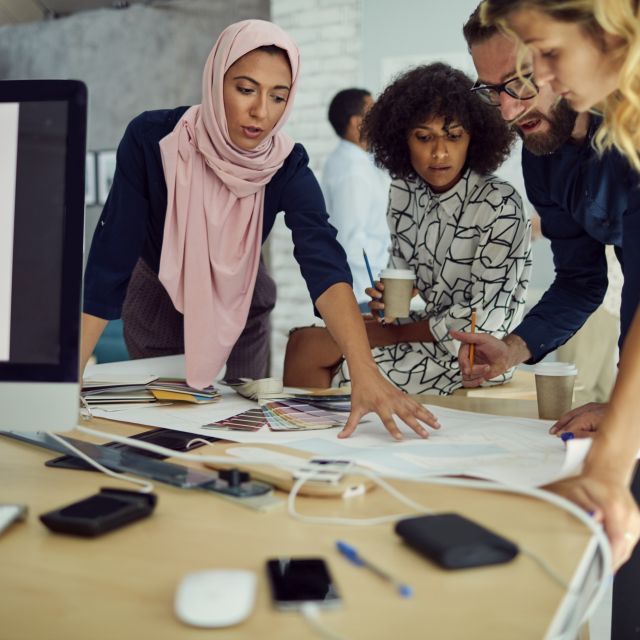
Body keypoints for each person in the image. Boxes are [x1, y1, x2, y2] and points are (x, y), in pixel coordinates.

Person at [81, 19, 438, 442]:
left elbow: (322, 259)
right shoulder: (153, 139)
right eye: (245, 89)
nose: (261, 112)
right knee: (172, 437)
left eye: (278, 96)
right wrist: (68, 376)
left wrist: (365, 372)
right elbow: (111, 257)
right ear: (216, 80)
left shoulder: (285, 163)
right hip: (161, 301)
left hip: (243, 305)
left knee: (236, 434)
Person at [471, 1, 640, 629]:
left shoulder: (629, 131)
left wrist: (623, 416)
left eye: (527, 73)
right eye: (492, 92)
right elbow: (580, 278)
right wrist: (515, 347)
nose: (511, 109)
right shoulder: (541, 153)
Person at [283, 62, 530, 396]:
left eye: (454, 136)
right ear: (402, 139)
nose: (440, 151)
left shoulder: (500, 204)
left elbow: (485, 321)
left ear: (474, 138)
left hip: (473, 355)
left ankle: (325, 439)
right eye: (424, 137)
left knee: (334, 365)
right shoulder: (404, 189)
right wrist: (390, 301)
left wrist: (396, 333)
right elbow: (403, 272)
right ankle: (305, 438)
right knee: (303, 341)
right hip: (420, 330)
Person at [321, 88, 390, 311]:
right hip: (364, 291)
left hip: (370, 289)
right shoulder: (351, 170)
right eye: (374, 111)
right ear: (356, 123)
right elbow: (351, 242)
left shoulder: (359, 162)